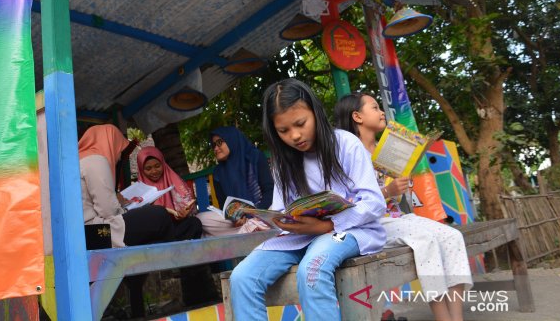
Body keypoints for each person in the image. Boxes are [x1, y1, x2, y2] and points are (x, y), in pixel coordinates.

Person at [230, 79, 386, 320]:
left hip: (349, 231)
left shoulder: (346, 144)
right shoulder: (283, 162)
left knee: (312, 268)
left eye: (301, 123)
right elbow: (281, 208)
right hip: (300, 236)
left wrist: (328, 225)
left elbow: (374, 202)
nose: (294, 135)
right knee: (241, 278)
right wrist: (275, 219)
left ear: (315, 112)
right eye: (283, 131)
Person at [334, 92, 473, 321]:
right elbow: (347, 202)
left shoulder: (383, 149)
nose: (381, 112)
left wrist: (398, 189)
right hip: (370, 225)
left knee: (452, 236)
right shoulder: (345, 153)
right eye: (375, 107)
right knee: (425, 239)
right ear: (357, 116)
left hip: (397, 218)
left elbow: (393, 203)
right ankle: (443, 318)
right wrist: (388, 191)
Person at [78, 125, 204, 315]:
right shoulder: (96, 160)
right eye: (119, 150)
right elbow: (108, 210)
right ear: (109, 142)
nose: (119, 157)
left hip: (90, 233)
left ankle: (181, 230)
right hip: (101, 232)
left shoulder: (78, 161)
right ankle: (179, 235)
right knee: (158, 215)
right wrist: (124, 207)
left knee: (162, 221)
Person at [196, 126, 275, 236]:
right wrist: (235, 218)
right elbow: (224, 206)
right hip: (237, 222)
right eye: (213, 145)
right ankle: (249, 229)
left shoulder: (254, 157)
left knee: (274, 211)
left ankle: (248, 229)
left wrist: (255, 213)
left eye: (219, 142)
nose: (215, 149)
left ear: (232, 139)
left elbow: (269, 191)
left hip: (261, 212)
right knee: (201, 219)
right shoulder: (218, 172)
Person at [136, 145, 196, 220]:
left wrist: (183, 212)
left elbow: (188, 204)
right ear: (141, 170)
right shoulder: (137, 191)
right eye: (148, 169)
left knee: (194, 223)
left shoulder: (175, 181)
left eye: (157, 166)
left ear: (163, 164)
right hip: (155, 228)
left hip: (177, 223)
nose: (154, 171)